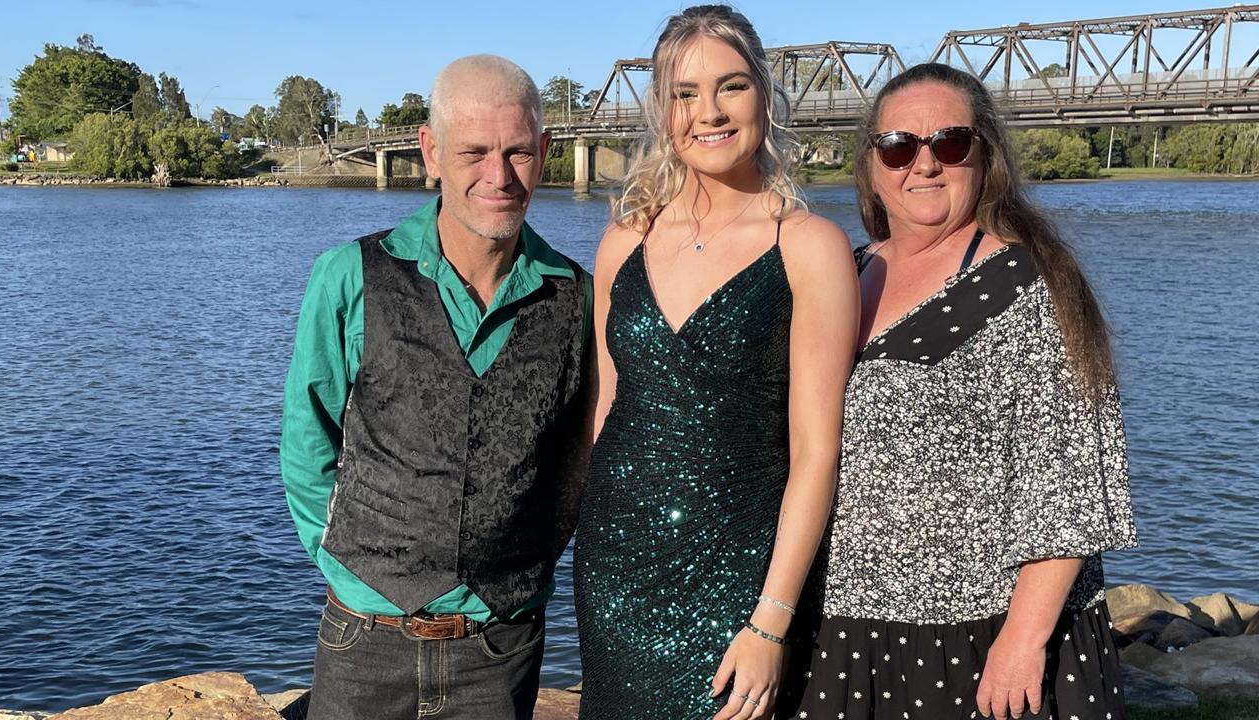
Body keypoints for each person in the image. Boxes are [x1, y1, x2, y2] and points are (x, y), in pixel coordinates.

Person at [780, 62, 1139, 720]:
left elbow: (1070, 486)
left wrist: (1023, 641)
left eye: (948, 142)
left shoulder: (1032, 285)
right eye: (897, 147)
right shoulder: (842, 269)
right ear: (869, 166)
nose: (923, 165)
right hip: (837, 626)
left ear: (985, 155)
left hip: (972, 639)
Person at [279, 55, 592, 720]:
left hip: (500, 650)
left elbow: (577, 460)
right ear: (431, 152)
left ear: (546, 151)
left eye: (516, 152)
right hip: (365, 642)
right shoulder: (347, 277)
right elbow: (308, 445)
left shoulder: (578, 298)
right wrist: (351, 570)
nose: (498, 176)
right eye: (474, 151)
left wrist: (521, 576)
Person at [572, 6, 859, 719]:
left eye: (730, 87)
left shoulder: (808, 245)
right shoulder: (623, 241)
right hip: (616, 562)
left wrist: (771, 619)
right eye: (684, 93)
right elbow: (607, 409)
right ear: (663, 109)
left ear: (764, 92)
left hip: (738, 570)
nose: (709, 112)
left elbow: (818, 450)